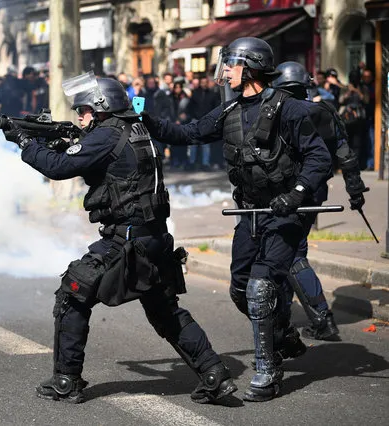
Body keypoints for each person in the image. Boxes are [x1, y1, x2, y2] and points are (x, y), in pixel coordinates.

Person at [1, 73, 237, 405]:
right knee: (166, 312)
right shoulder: (137, 130)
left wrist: (27, 144)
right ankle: (215, 375)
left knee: (72, 294)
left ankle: (66, 380)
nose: (79, 117)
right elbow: (105, 166)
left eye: (82, 110)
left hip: (125, 242)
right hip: (155, 239)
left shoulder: (107, 135)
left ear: (101, 107)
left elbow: (56, 167)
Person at [141, 37, 333, 402]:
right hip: (249, 214)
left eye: (230, 64)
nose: (225, 71)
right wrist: (145, 119)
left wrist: (295, 194)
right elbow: (187, 133)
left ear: (250, 67)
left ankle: (268, 368)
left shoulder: (288, 109)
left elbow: (318, 158)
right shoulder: (229, 112)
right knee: (240, 289)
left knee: (262, 288)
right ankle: (282, 335)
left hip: (285, 214)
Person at [272, 61, 368, 340]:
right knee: (289, 251)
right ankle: (287, 319)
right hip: (315, 192)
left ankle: (321, 317)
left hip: (289, 194)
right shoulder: (324, 110)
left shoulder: (281, 113)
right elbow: (345, 153)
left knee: (291, 253)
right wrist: (355, 191)